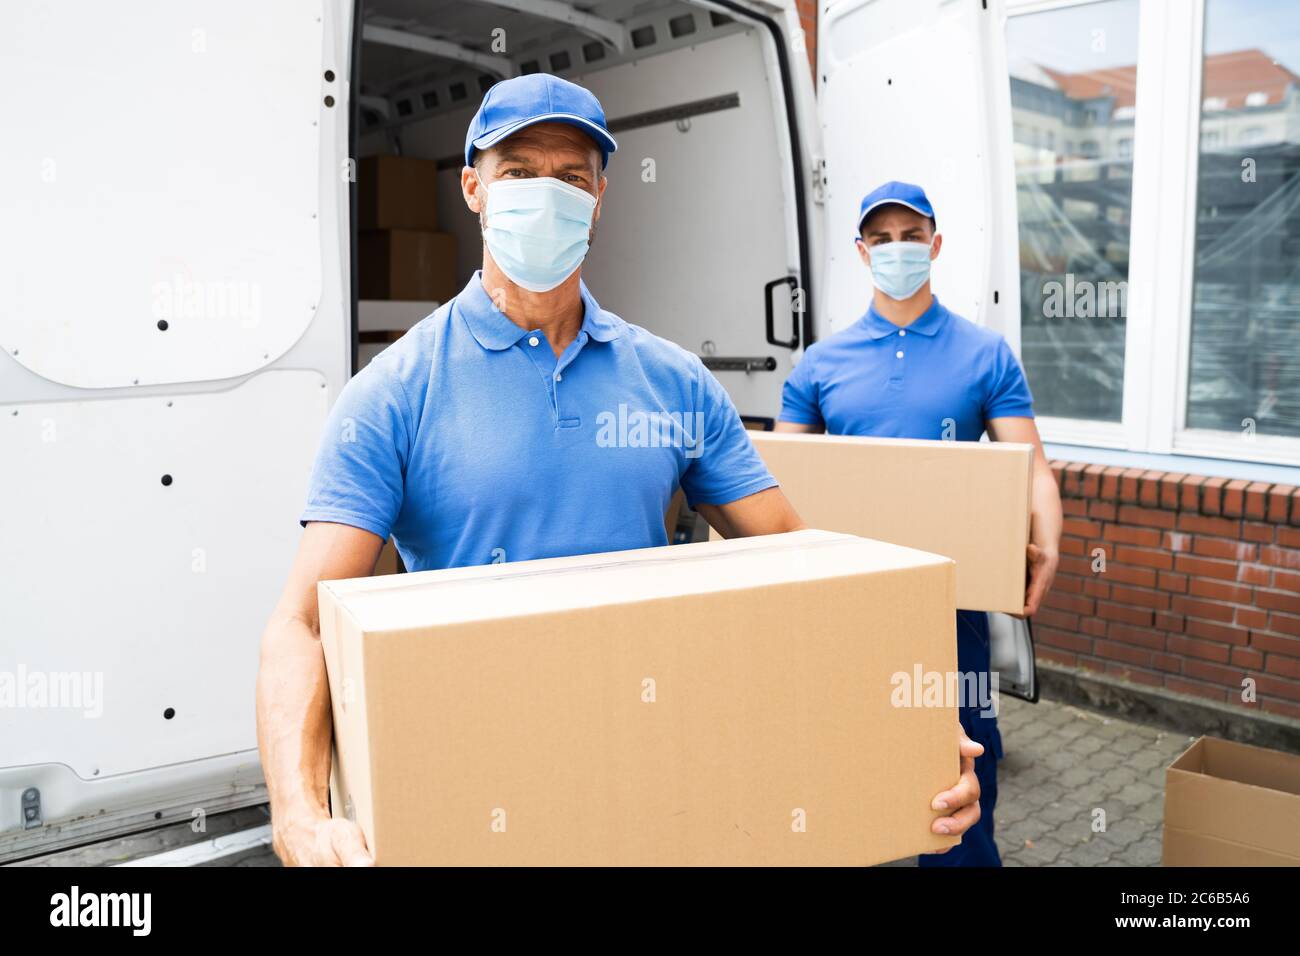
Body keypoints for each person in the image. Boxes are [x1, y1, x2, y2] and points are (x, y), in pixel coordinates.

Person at [256, 80, 983, 865]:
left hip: (651, 775)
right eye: (518, 171)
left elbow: (803, 569)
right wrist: (297, 810)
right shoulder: (393, 394)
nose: (549, 193)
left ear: (601, 196)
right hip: (479, 788)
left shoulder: (672, 382)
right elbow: (300, 622)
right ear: (473, 188)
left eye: (572, 178)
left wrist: (911, 723)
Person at [777, 181, 1062, 867]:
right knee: (837, 767)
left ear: (934, 246)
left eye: (912, 236)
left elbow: (1032, 468)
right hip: (844, 604)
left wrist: (1048, 539)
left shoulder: (983, 353)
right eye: (882, 238)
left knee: (957, 783)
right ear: (860, 251)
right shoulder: (821, 363)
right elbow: (778, 481)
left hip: (950, 607)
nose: (897, 249)